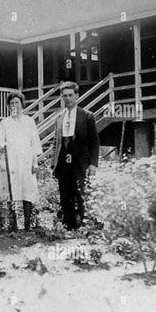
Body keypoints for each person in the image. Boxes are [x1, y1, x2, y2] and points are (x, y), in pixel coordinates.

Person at [51, 81, 100, 230]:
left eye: (71, 95)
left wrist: (93, 164)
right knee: (66, 195)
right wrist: (53, 163)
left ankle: (86, 227)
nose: (68, 99)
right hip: (63, 160)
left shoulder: (87, 116)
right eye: (64, 96)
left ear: (77, 95)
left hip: (80, 160)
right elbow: (55, 142)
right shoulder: (59, 118)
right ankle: (69, 226)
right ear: (62, 97)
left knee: (82, 194)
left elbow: (95, 141)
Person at [0, 92, 42, 231]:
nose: (14, 105)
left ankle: (28, 224)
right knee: (12, 191)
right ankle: (14, 225)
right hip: (11, 161)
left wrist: (35, 163)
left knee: (27, 190)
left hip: (26, 161)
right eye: (12, 103)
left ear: (22, 104)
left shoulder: (29, 121)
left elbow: (35, 143)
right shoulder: (5, 123)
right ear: (8, 106)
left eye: (17, 103)